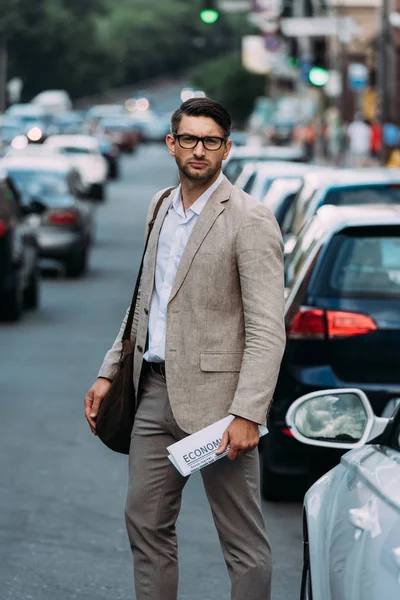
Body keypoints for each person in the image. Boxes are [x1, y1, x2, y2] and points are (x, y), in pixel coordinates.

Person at [84, 97, 286, 600]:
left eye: (211, 141)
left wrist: (247, 412)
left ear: (227, 149)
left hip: (221, 408)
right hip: (153, 393)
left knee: (241, 542)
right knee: (145, 524)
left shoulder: (250, 219)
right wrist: (110, 371)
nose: (200, 149)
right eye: (190, 139)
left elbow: (267, 328)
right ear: (172, 144)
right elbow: (143, 302)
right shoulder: (159, 206)